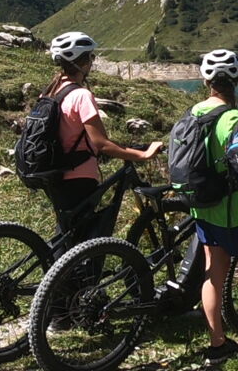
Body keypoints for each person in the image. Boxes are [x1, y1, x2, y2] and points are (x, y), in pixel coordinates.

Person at [186, 49, 238, 362]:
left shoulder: (193, 113)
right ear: (236, 80)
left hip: (204, 209)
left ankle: (217, 343)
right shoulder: (232, 119)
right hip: (237, 211)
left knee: (213, 275)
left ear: (206, 80)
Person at [42, 31, 161, 244]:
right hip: (78, 176)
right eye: (91, 57)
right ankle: (68, 276)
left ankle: (58, 274)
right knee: (81, 240)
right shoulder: (81, 95)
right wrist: (142, 155)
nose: (92, 62)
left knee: (68, 235)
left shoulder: (51, 91)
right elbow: (101, 143)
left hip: (54, 173)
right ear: (84, 61)